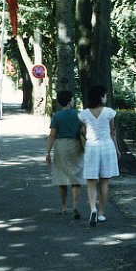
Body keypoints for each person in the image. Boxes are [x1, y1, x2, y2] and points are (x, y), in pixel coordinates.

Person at [78, 84, 121, 226]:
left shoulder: (84, 114)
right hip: (107, 146)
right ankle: (101, 213)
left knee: (91, 181)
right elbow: (112, 132)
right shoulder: (109, 112)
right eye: (105, 95)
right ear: (101, 96)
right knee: (104, 181)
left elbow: (83, 131)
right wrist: (117, 149)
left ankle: (93, 209)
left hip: (92, 146)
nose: (106, 97)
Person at [45, 90, 84, 218]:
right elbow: (84, 131)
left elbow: (52, 135)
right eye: (72, 99)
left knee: (61, 177)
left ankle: (63, 206)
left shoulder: (56, 116)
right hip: (76, 145)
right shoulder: (78, 115)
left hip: (61, 146)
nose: (73, 100)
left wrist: (48, 153)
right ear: (69, 101)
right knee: (76, 177)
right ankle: (76, 206)